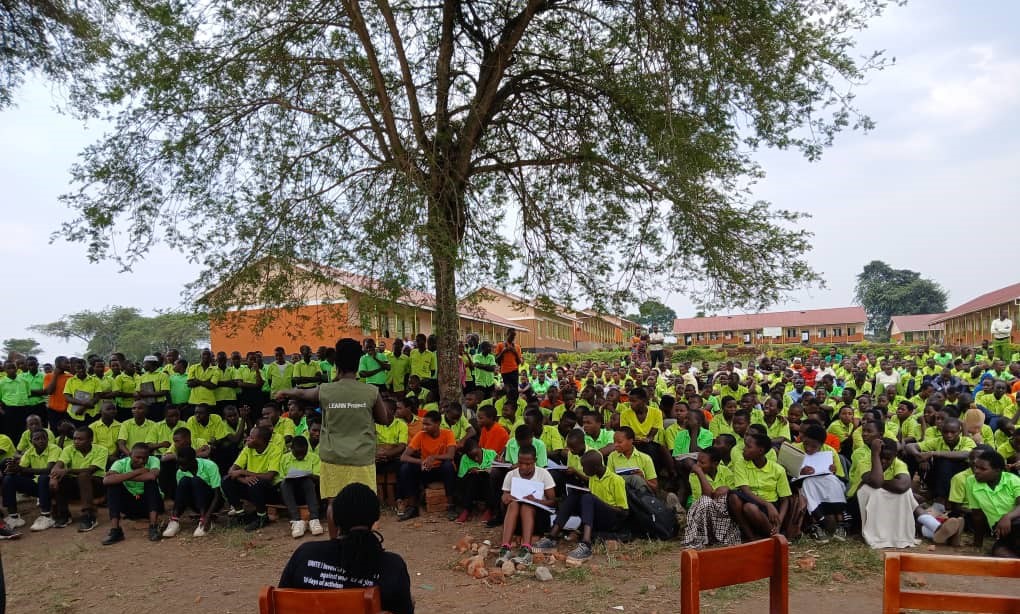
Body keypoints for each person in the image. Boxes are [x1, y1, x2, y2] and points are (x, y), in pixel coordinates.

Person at [276, 338, 387, 536]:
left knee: (333, 504)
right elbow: (384, 419)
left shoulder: (326, 390)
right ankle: (364, 546)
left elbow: (302, 394)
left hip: (333, 458)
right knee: (365, 504)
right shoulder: (371, 391)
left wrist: (285, 391)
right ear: (358, 363)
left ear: (336, 364)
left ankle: (335, 548)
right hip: (362, 458)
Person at [278, 483, 414, 614]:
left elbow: (279, 604)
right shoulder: (392, 566)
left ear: (335, 519)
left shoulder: (305, 554)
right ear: (376, 518)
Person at [534, 450, 628, 563]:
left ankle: (586, 544)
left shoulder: (616, 480)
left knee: (588, 498)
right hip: (597, 518)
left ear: (595, 467)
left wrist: (598, 503)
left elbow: (624, 512)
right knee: (574, 496)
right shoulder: (593, 477)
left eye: (585, 468)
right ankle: (551, 537)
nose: (583, 470)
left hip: (612, 520)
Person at [496, 446, 555, 568]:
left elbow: (553, 501)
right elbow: (504, 495)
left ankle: (526, 549)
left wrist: (536, 500)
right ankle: (505, 547)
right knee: (514, 504)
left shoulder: (543, 474)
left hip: (537, 518)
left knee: (527, 506)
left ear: (535, 460)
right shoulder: (511, 475)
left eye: (528, 464)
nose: (523, 467)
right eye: (521, 463)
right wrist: (505, 498)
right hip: (515, 519)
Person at [728, 432, 790, 541]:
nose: (744, 450)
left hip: (771, 508)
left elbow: (785, 499)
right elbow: (745, 491)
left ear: (760, 451)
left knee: (750, 508)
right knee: (735, 498)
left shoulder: (778, 469)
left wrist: (779, 521)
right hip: (751, 501)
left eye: (748, 447)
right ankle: (751, 537)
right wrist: (766, 505)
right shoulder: (740, 463)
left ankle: (774, 534)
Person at [396, 411, 456, 521]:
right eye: (423, 424)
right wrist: (422, 461)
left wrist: (434, 457)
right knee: (406, 468)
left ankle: (450, 506)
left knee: (448, 466)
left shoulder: (448, 433)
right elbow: (404, 457)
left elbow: (451, 455)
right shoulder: (420, 435)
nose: (424, 427)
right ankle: (413, 507)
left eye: (428, 424)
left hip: (440, 469)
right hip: (426, 469)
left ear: (438, 423)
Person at [222, 425, 283, 531]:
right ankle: (241, 515)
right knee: (227, 480)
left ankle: (262, 517)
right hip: (251, 487)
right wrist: (244, 479)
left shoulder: (275, 450)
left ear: (261, 440)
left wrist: (243, 472)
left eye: (251, 437)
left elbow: (269, 476)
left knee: (256, 482)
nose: (247, 439)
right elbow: (231, 471)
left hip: (270, 491)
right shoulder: (247, 449)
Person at [102, 442, 163, 545]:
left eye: (145, 458)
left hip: (150, 504)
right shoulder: (120, 463)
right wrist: (139, 471)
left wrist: (119, 477)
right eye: (138, 457)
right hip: (130, 504)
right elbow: (106, 481)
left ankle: (153, 526)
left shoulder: (154, 460)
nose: (141, 461)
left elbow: (152, 476)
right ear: (130, 455)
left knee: (150, 483)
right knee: (113, 486)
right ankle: (115, 530)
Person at [680, 447, 740, 549]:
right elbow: (706, 496)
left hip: (722, 515)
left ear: (715, 464)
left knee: (728, 498)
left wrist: (726, 489)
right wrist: (700, 473)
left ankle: (721, 537)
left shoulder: (726, 472)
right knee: (706, 502)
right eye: (697, 461)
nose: (698, 465)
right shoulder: (695, 474)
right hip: (701, 513)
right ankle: (704, 539)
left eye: (702, 463)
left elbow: (734, 493)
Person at [50, 426, 107, 531]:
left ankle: (89, 515)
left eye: (80, 439)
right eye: (75, 438)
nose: (76, 441)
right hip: (77, 486)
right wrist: (54, 477)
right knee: (62, 478)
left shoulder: (102, 450)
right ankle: (64, 515)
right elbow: (58, 465)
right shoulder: (69, 449)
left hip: (96, 486)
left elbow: (90, 470)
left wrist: (68, 470)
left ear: (91, 440)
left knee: (84, 475)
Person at [2, 429, 60, 531]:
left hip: (54, 485)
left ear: (48, 439)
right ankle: (14, 517)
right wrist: (12, 469)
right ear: (31, 441)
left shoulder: (54, 449)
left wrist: (21, 469)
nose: (41, 441)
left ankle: (46, 516)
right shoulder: (29, 451)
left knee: (44, 477)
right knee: (9, 479)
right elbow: (21, 469)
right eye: (37, 439)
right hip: (37, 485)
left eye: (43, 438)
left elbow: (48, 470)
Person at [967, 449, 1020, 557]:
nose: (976, 471)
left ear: (997, 470)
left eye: (983, 469)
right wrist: (977, 544)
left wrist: (1007, 517)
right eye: (976, 467)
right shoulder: (971, 481)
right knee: (999, 553)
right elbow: (978, 515)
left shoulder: (1013, 480)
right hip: (1003, 532)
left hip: (1017, 522)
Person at [163, 445, 218, 538]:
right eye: (178, 464)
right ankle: (174, 520)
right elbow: (182, 496)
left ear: (193, 460)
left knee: (196, 480)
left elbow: (218, 494)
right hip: (196, 503)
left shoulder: (210, 466)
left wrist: (207, 516)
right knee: (184, 480)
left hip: (212, 502)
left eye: (183, 464)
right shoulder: (180, 472)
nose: (180, 467)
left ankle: (204, 520)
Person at [280, 435, 323, 538]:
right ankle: (297, 521)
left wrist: (309, 475)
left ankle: (314, 519)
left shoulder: (314, 458)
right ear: (291, 449)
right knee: (284, 484)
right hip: (291, 493)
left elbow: (319, 477)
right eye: (297, 453)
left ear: (307, 449)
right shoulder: (284, 458)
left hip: (309, 491)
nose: (300, 456)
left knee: (307, 481)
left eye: (303, 454)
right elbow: (281, 477)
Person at [454, 438, 496, 523]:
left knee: (486, 476)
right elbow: (460, 480)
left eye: (477, 455)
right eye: (472, 457)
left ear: (479, 448)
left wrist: (491, 470)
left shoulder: (491, 453)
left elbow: (499, 468)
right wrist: (469, 471)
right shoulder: (465, 458)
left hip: (488, 486)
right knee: (473, 477)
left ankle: (489, 509)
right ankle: (466, 509)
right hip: (472, 488)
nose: (476, 459)